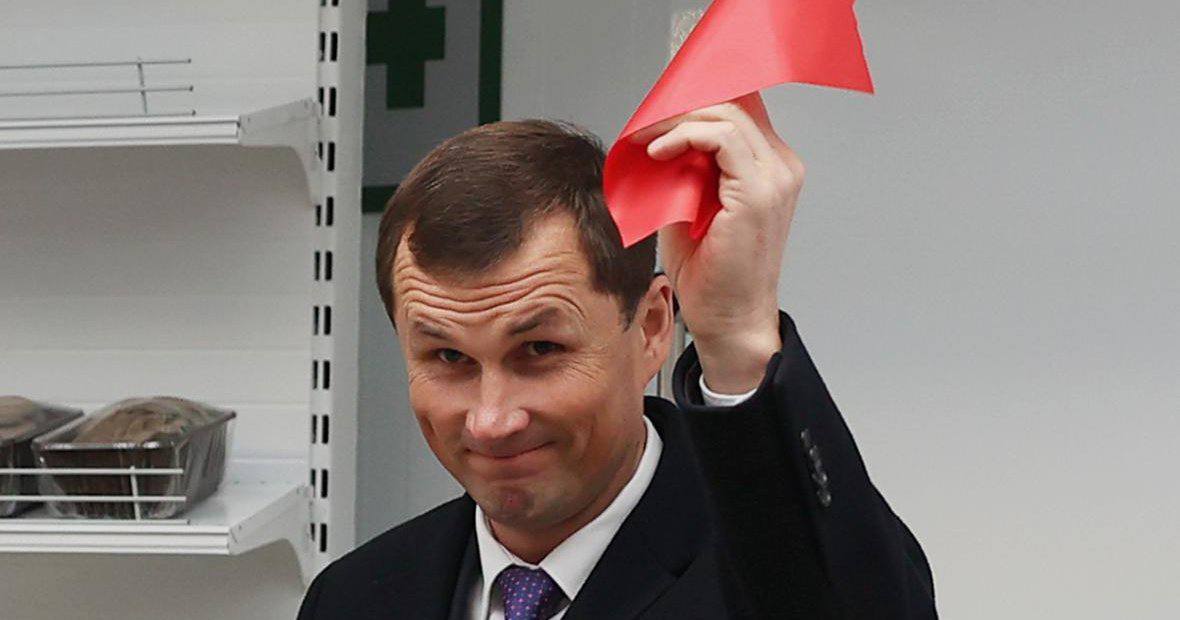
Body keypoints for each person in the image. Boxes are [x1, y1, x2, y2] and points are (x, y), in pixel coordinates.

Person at [297, 94, 937, 619]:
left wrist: (736, 333)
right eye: (447, 358)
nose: (491, 420)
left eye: (540, 349)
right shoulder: (354, 598)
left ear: (653, 327)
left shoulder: (780, 567)